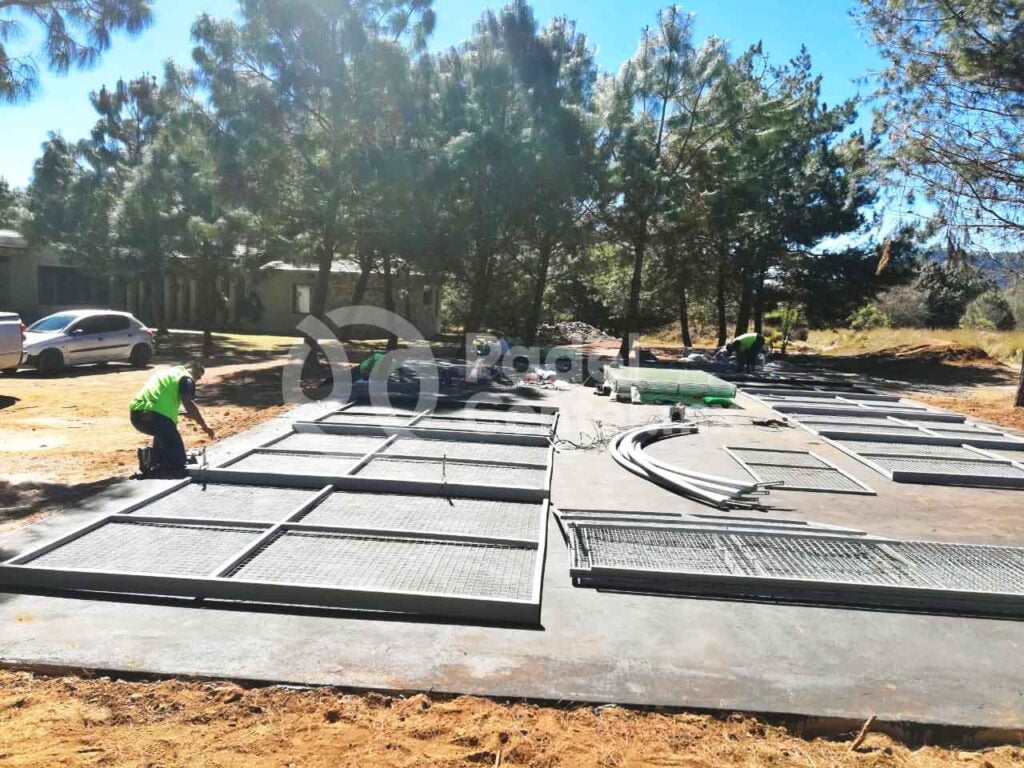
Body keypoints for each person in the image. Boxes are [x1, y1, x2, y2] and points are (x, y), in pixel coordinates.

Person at [130, 360, 214, 475]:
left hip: (137, 415)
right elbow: (188, 402)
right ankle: (169, 466)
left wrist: (183, 413)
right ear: (192, 371)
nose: (196, 381)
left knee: (165, 437)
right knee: (178, 459)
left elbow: (161, 398)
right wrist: (204, 425)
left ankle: (151, 458)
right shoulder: (186, 378)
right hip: (156, 416)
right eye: (198, 377)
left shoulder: (168, 374)